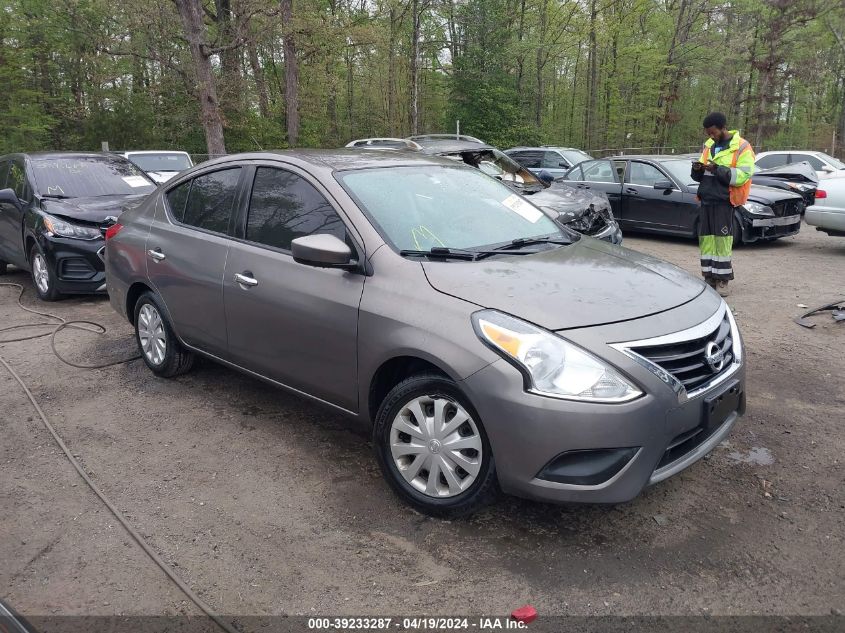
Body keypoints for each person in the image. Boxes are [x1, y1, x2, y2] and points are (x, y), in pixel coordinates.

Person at [691, 112, 754, 297]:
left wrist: (717, 169)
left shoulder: (742, 147)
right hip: (707, 200)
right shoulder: (709, 146)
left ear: (722, 128)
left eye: (713, 132)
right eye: (708, 133)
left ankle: (723, 279)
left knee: (722, 241)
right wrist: (697, 169)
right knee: (707, 241)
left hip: (724, 201)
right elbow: (700, 175)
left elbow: (743, 175)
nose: (710, 136)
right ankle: (709, 276)